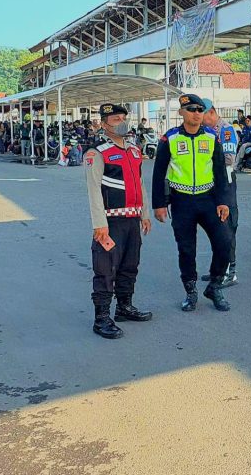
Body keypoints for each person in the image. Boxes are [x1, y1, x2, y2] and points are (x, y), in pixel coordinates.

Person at [152, 93, 232, 312]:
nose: (196, 114)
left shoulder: (211, 137)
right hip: (182, 202)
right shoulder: (170, 139)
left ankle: (215, 286)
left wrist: (223, 201)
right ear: (181, 113)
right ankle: (190, 291)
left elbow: (220, 171)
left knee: (224, 242)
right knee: (187, 249)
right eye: (191, 110)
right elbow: (159, 173)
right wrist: (159, 204)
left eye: (200, 110)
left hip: (208, 199)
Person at [84, 103, 153, 339]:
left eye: (123, 117)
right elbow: (93, 190)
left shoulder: (134, 151)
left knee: (129, 265)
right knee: (105, 269)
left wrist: (145, 214)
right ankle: (101, 318)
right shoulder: (97, 152)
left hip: (132, 219)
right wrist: (99, 224)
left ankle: (124, 306)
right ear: (103, 124)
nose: (121, 121)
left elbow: (140, 185)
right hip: (110, 222)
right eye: (115, 119)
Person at [201, 97, 240, 287]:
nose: (199, 118)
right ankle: (218, 269)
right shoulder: (206, 131)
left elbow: (229, 158)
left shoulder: (225, 130)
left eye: (202, 114)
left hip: (225, 183)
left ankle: (229, 272)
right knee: (215, 228)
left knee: (227, 228)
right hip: (211, 185)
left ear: (211, 112)